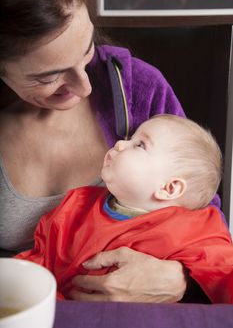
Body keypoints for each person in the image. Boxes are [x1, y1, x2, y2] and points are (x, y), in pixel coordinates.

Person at [0, 0, 227, 303]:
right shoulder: (74, 210)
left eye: (86, 51)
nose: (85, 86)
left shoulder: (139, 87)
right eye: (49, 77)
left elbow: (202, 211)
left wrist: (180, 278)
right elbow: (44, 255)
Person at [17, 115, 233, 303]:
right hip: (68, 317)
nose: (120, 144)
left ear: (169, 188)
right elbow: (39, 261)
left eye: (140, 145)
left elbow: (225, 274)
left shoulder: (196, 230)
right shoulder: (76, 206)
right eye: (131, 139)